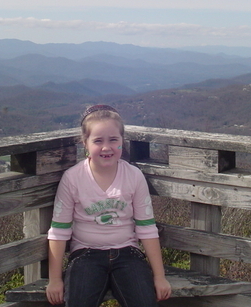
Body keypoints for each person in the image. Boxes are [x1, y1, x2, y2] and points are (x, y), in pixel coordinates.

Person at [46, 105, 172, 306]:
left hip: (128, 253)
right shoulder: (73, 178)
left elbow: (147, 228)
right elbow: (59, 231)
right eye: (98, 141)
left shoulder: (133, 176)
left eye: (113, 140)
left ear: (122, 141)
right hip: (86, 254)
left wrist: (159, 276)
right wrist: (54, 280)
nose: (106, 147)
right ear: (85, 143)